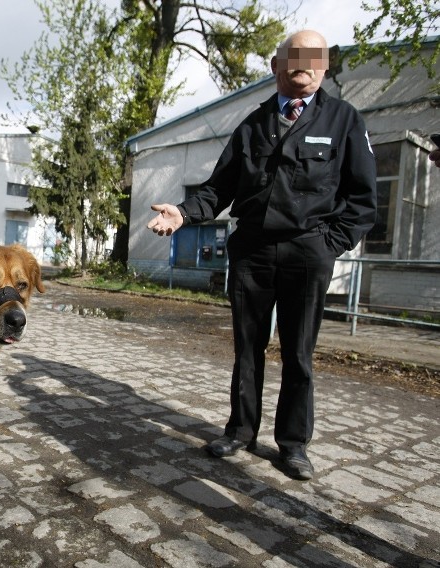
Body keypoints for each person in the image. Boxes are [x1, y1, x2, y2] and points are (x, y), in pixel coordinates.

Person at [147, 30, 377, 481]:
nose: (304, 63)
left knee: (298, 354)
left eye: (314, 57)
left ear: (325, 65)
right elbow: (218, 189)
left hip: (307, 253)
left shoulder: (344, 121)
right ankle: (240, 430)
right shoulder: (253, 124)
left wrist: (328, 244)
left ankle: (293, 445)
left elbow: (363, 199)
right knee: (247, 349)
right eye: (294, 55)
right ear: (276, 66)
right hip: (251, 252)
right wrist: (184, 212)